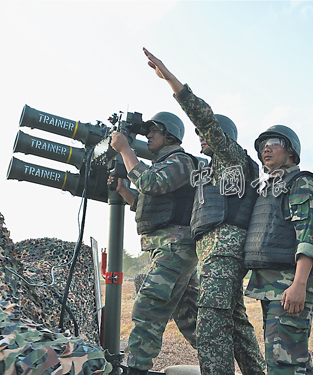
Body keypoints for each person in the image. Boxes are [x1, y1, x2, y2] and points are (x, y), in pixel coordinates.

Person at [143, 47, 265, 375]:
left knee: (210, 328)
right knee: (237, 323)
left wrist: (171, 80)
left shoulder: (231, 157)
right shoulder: (210, 172)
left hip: (224, 252)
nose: (199, 137)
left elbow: (205, 118)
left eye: (203, 134)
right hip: (213, 254)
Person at [107, 112, 199, 375]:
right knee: (191, 319)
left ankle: (136, 371)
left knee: (147, 309)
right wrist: (124, 190)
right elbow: (146, 204)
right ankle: (221, 362)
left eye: (154, 130)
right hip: (168, 250)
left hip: (175, 249)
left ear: (169, 135)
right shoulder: (161, 165)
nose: (148, 135)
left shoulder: (181, 161)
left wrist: (125, 149)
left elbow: (151, 182)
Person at [243, 125, 313, 375]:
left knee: (283, 362)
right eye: (262, 145)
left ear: (291, 151)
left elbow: (309, 237)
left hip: (290, 283)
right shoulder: (268, 188)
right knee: (293, 358)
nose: (265, 148)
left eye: (274, 142)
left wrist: (298, 284)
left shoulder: (301, 183)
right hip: (270, 285)